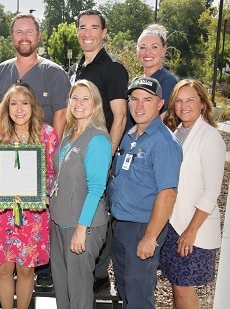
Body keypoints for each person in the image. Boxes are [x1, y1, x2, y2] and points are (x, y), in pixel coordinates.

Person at [0, 12, 70, 289]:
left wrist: (43, 177)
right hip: (5, 194)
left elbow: (60, 118)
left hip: (37, 185)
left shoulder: (54, 73)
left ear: (38, 36)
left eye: (29, 31)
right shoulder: (0, 73)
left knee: (27, 268)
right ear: (12, 37)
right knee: (4, 268)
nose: (24, 37)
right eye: (18, 32)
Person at [0, 82, 58, 309]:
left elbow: (53, 173)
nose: (19, 109)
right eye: (13, 103)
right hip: (1, 212)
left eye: (24, 103)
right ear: (6, 107)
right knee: (4, 268)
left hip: (33, 215)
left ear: (33, 105)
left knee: (26, 269)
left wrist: (42, 196)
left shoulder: (47, 134)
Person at [108, 76, 182, 309]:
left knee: (139, 297)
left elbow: (168, 193)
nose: (139, 106)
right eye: (135, 99)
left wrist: (150, 238)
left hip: (142, 228)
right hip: (120, 226)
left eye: (147, 100)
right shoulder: (130, 137)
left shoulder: (163, 143)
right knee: (125, 290)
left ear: (160, 104)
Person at [72, 9, 129, 292]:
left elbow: (119, 116)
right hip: (78, 154)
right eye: (83, 27)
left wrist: (107, 156)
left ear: (104, 33)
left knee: (97, 215)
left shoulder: (113, 68)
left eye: (94, 27)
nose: (88, 33)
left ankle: (97, 275)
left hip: (97, 155)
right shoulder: (78, 69)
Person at [160, 79, 226, 309]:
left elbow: (211, 191)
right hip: (173, 224)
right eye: (178, 100)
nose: (184, 105)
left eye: (190, 100)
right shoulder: (177, 133)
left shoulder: (210, 138)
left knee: (183, 287)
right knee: (176, 286)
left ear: (202, 104)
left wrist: (191, 231)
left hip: (192, 228)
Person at [50, 79, 111, 308]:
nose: (79, 103)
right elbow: (63, 174)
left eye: (86, 98)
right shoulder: (70, 133)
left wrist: (81, 230)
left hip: (81, 226)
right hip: (59, 222)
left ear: (95, 103)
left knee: (79, 292)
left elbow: (96, 189)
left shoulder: (97, 139)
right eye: (75, 97)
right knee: (62, 287)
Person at [125, 23, 179, 131]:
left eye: (154, 47)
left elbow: (160, 121)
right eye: (142, 47)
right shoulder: (136, 82)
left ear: (163, 51)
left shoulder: (168, 81)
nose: (147, 52)